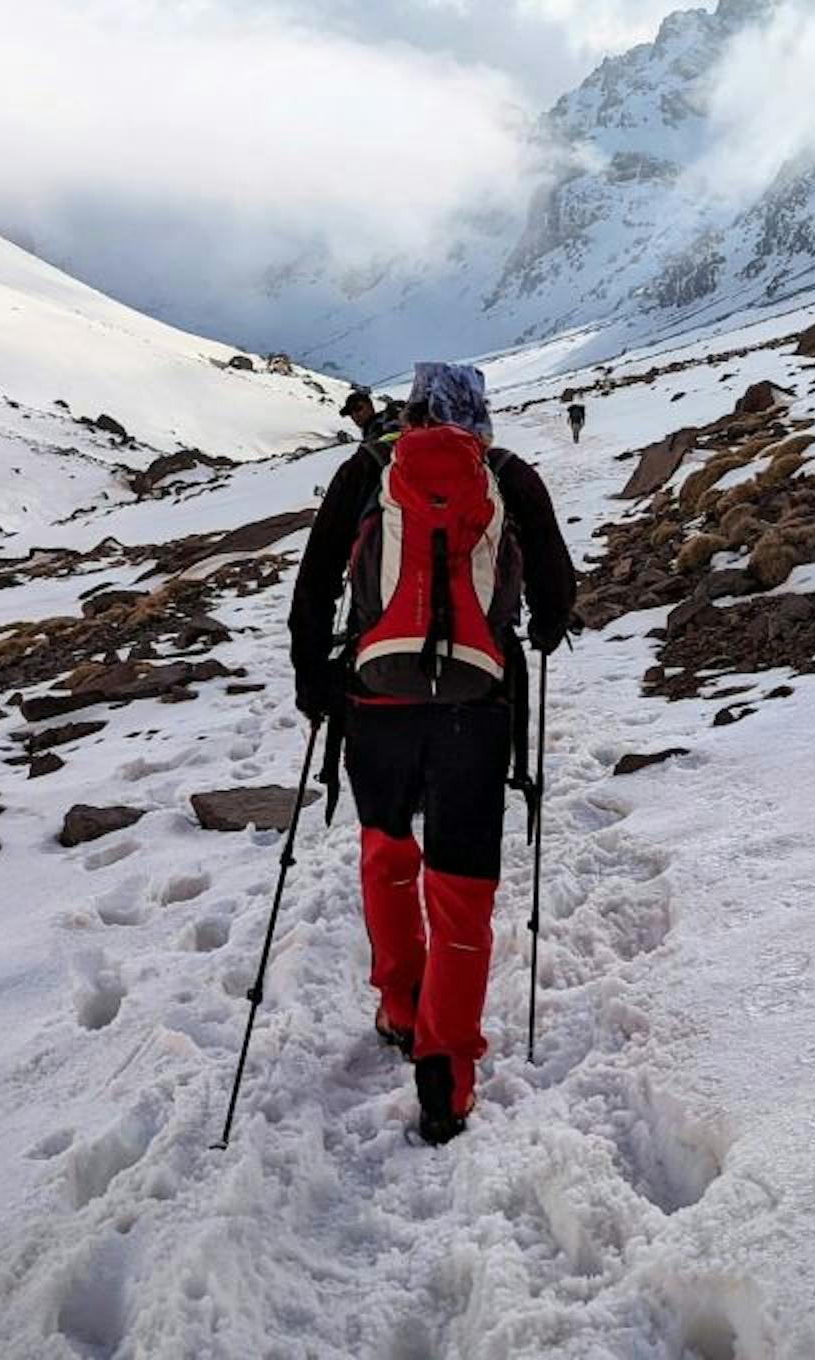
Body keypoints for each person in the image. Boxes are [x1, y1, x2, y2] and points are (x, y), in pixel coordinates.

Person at [289, 360, 575, 1144]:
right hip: (476, 711)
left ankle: (399, 1005)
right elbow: (557, 587)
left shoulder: (371, 468)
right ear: (479, 413)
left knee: (386, 851)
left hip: (374, 703)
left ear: (411, 411)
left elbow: (314, 583)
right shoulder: (507, 476)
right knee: (461, 887)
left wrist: (314, 678)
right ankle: (446, 1075)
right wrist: (543, 630)